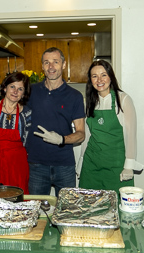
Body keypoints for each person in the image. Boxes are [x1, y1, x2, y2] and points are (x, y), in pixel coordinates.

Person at [77, 60, 144, 197]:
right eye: (94, 76)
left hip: (116, 166)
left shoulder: (123, 100)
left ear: (110, 77)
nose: (99, 80)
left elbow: (130, 136)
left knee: (118, 206)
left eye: (103, 75)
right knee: (89, 206)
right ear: (90, 80)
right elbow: (87, 135)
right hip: (91, 165)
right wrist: (81, 161)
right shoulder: (89, 102)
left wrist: (129, 165)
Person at [26, 47, 86, 197]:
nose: (51, 67)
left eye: (55, 62)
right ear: (42, 66)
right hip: (36, 164)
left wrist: (61, 139)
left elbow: (81, 134)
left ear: (64, 65)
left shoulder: (75, 96)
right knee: (37, 212)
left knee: (67, 211)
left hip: (64, 165)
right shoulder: (31, 92)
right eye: (46, 62)